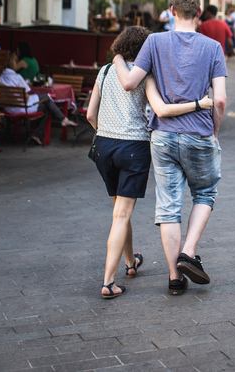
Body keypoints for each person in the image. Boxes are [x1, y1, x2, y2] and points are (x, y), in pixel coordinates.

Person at [112, 0, 227, 296]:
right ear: (199, 14)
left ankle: (175, 277)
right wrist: (214, 132)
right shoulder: (213, 48)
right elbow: (220, 101)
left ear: (172, 10)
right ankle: (189, 250)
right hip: (199, 132)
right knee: (205, 193)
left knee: (168, 207)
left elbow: (129, 83)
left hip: (162, 135)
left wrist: (118, 56)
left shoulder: (154, 41)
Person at [87, 26, 213, 300]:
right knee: (122, 214)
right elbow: (162, 110)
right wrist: (200, 104)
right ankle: (108, 282)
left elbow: (89, 114)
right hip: (133, 146)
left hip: (104, 145)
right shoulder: (146, 75)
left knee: (119, 211)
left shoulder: (105, 71)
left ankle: (131, 262)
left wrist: (104, 132)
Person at [0, 51, 77, 139]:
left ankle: (58, 122)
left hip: (8, 108)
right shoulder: (17, 77)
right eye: (15, 60)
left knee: (46, 102)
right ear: (12, 63)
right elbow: (28, 93)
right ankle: (42, 131)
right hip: (21, 109)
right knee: (47, 101)